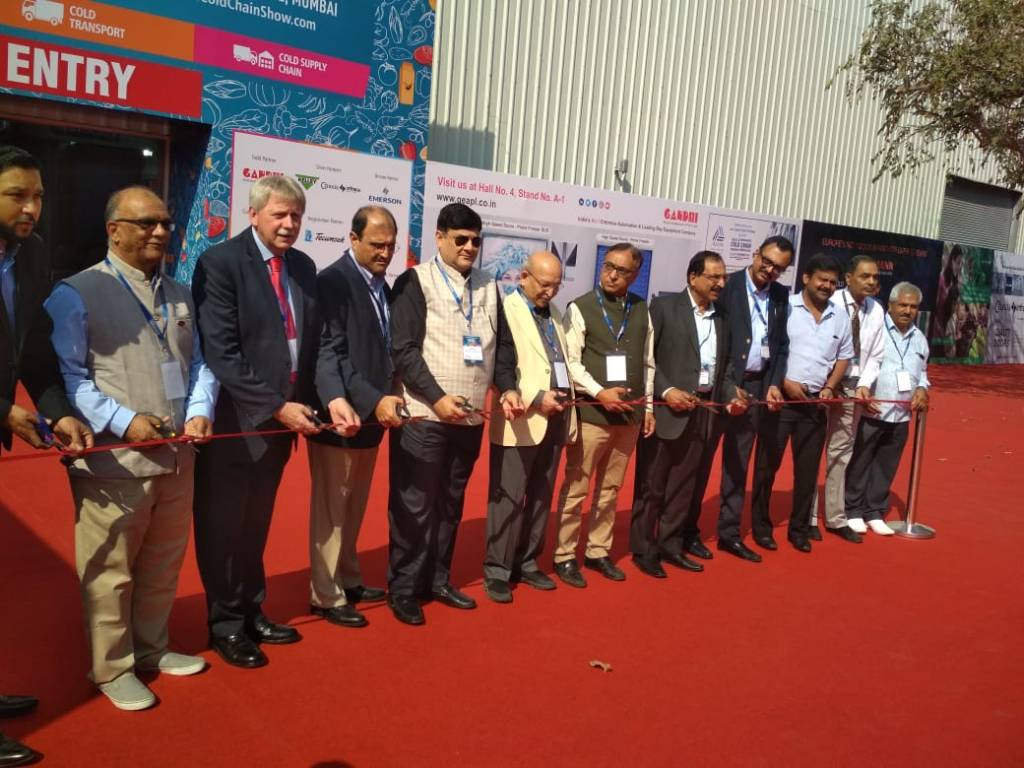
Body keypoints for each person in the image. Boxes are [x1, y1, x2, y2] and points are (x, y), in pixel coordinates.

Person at [46, 186, 217, 710]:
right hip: (114, 463)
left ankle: (151, 647)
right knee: (110, 571)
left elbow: (199, 363)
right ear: (113, 230)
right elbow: (70, 378)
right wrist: (122, 422)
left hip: (178, 456)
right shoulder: (75, 293)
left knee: (163, 564)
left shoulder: (180, 293)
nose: (160, 232)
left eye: (165, 223)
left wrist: (200, 410)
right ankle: (112, 667)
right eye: (146, 223)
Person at [192, 175, 350, 668]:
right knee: (223, 525)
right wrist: (276, 406)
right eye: (280, 214)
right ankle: (225, 624)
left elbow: (316, 343)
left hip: (284, 425)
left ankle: (251, 609)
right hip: (238, 423)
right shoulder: (220, 263)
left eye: (296, 215)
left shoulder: (302, 266)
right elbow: (222, 352)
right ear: (254, 214)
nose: (288, 224)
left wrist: (331, 397)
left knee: (256, 522)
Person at [0, 144, 91, 763]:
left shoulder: (30, 255)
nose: (30, 208)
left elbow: (30, 348)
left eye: (37, 196)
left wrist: (58, 410)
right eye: (16, 196)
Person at [387, 203, 500, 625]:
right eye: (461, 239)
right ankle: (403, 588)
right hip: (425, 415)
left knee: (450, 504)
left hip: (469, 419)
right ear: (439, 238)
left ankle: (436, 580)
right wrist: (436, 398)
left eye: (476, 240)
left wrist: (506, 388)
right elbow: (404, 350)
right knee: (414, 505)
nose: (469, 247)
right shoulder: (415, 281)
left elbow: (502, 347)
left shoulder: (490, 285)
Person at [307, 206, 402, 628]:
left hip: (372, 418)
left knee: (355, 505)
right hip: (341, 415)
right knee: (332, 509)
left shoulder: (382, 285)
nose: (385, 253)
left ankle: (347, 577)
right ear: (353, 239)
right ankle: (326, 594)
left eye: (391, 246)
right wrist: (372, 399)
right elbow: (333, 353)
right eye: (377, 245)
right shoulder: (333, 281)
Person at [629, 251, 743, 578]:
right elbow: (646, 359)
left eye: (723, 277)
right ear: (693, 277)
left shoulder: (723, 317)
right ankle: (643, 549)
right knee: (652, 485)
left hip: (703, 412)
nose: (721, 283)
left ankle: (671, 544)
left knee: (684, 486)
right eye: (713, 277)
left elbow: (725, 367)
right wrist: (666, 391)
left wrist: (730, 394)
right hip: (666, 411)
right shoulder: (664, 308)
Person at [552, 243, 654, 587]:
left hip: (629, 418)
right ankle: (565, 555)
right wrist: (599, 393)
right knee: (576, 488)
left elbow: (648, 363)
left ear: (635, 275)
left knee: (611, 489)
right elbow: (571, 363)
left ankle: (598, 551)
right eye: (608, 266)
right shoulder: (580, 307)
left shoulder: (642, 309)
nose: (611, 274)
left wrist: (648, 407)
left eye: (621, 270)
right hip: (593, 415)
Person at [484, 251, 576, 603]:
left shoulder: (555, 314)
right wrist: (536, 398)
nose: (550, 292)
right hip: (521, 416)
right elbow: (500, 367)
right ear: (524, 277)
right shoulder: (506, 310)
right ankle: (497, 569)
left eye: (556, 286)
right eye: (544, 284)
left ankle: (527, 561)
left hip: (557, 416)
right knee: (508, 498)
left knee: (541, 495)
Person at [750, 254, 853, 553]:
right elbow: (771, 350)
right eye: (822, 279)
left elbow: (844, 356)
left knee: (807, 473)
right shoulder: (785, 307)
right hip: (780, 401)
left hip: (815, 404)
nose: (827, 286)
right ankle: (761, 527)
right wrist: (784, 383)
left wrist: (830, 386)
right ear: (806, 278)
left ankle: (799, 529)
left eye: (833, 282)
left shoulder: (840, 316)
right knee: (766, 468)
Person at [708, 237, 793, 563]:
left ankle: (729, 534)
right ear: (755, 254)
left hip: (758, 387)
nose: (770, 270)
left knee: (738, 464)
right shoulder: (725, 287)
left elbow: (781, 346)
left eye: (778, 268)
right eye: (766, 262)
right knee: (701, 461)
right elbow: (714, 340)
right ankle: (684, 532)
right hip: (721, 386)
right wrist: (729, 386)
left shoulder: (781, 295)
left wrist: (773, 384)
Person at [845, 282, 929, 534]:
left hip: (901, 415)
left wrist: (922, 388)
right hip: (872, 410)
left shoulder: (920, 338)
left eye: (913, 306)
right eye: (902, 305)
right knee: (860, 461)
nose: (907, 311)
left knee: (886, 464)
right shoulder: (876, 330)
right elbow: (859, 363)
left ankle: (874, 511)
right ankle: (852, 509)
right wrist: (862, 391)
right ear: (890, 305)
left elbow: (923, 372)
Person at [811, 254, 885, 542]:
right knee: (812, 451)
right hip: (822, 386)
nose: (871, 281)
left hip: (854, 387)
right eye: (865, 276)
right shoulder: (829, 302)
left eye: (875, 277)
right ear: (849, 278)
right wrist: (828, 383)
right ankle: (807, 517)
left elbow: (876, 355)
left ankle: (835, 517)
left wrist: (864, 384)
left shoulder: (876, 310)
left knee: (841, 453)